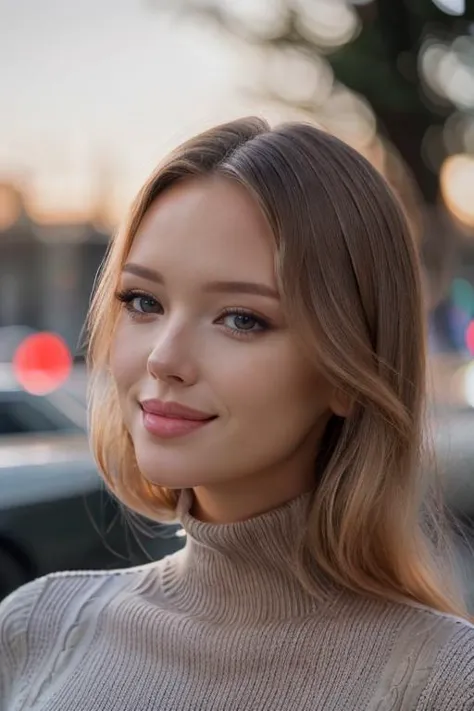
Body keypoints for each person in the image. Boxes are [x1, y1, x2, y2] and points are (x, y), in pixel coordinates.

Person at [1, 117, 473, 710]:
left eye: (242, 318)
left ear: (351, 370)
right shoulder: (36, 630)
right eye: (143, 302)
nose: (164, 359)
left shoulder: (445, 684)